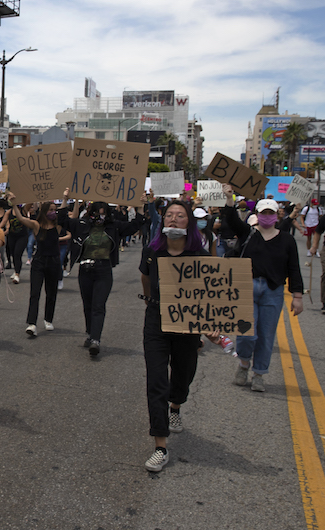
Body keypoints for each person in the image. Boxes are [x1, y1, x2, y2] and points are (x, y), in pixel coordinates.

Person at [139, 200, 208, 472]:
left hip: (187, 326)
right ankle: (160, 445)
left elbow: (209, 295)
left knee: (184, 372)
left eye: (180, 215)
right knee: (156, 381)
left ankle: (176, 407)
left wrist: (209, 325)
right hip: (157, 322)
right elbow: (146, 279)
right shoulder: (152, 252)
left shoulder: (200, 256)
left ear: (189, 222)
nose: (174, 219)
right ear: (163, 221)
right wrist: (151, 302)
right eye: (169, 215)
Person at [221, 186, 304, 391]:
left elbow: (294, 268)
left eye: (270, 213)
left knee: (266, 335)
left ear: (276, 215)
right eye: (263, 212)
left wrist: (297, 296)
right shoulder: (248, 234)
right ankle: (244, 364)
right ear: (257, 214)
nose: (267, 216)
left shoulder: (287, 239)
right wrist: (229, 198)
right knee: (247, 334)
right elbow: (231, 219)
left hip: (273, 291)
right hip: (247, 288)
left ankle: (259, 373)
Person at [65, 200, 146, 356]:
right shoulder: (82, 225)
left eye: (103, 214)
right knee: (88, 305)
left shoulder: (114, 227)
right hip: (85, 270)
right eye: (97, 213)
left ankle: (96, 340)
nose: (99, 217)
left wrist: (140, 208)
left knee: (98, 305)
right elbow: (63, 220)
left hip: (103, 270)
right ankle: (90, 333)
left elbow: (134, 225)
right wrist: (65, 200)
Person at [10, 198, 70, 336]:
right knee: (35, 293)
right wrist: (14, 204)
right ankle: (32, 324)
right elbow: (21, 218)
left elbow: (64, 212)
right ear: (44, 212)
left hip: (54, 262)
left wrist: (66, 199)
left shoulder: (58, 226)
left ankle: (48, 319)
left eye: (55, 210)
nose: (53, 212)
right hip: (39, 262)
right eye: (50, 210)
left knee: (51, 293)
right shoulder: (37, 225)